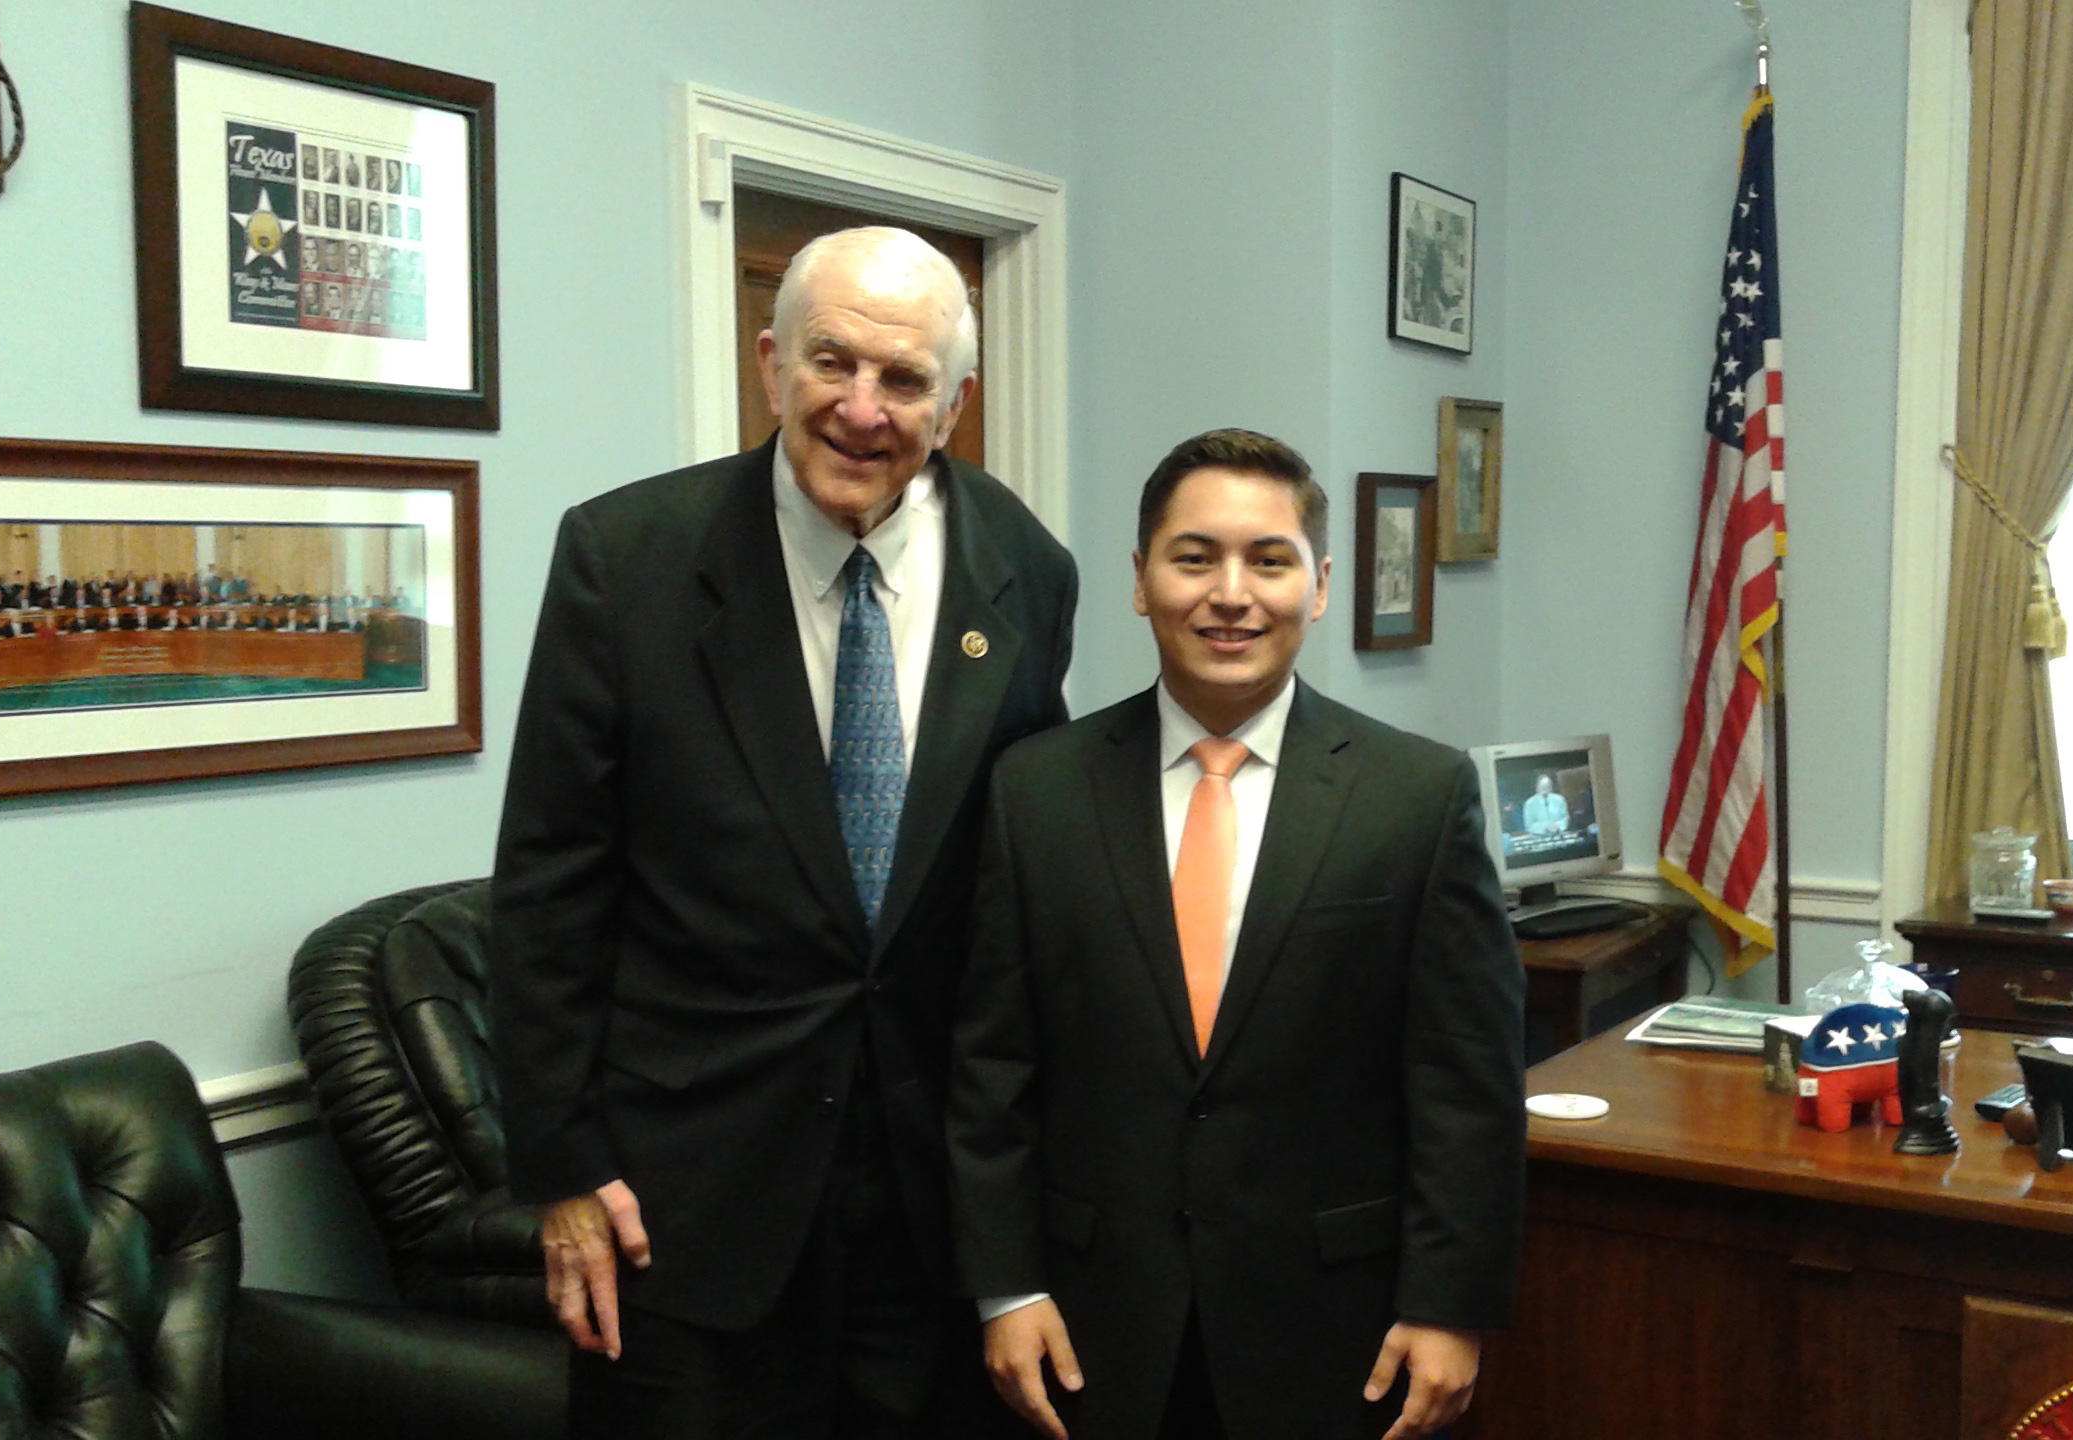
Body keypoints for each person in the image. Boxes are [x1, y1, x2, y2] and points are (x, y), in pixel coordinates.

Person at [491, 225, 1080, 1440]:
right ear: (771, 365)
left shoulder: (1028, 572)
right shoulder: (627, 561)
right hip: (684, 1203)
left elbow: (1017, 890)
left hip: (932, 1211)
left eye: (905, 380)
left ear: (955, 403)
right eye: (831, 364)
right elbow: (549, 883)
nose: (862, 410)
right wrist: (562, 1172)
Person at [949, 429, 1526, 1440]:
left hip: (1340, 1331)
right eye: (1192, 557)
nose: (1230, 593)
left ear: (1318, 583)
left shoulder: (1417, 797)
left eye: (1268, 560)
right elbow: (991, 1069)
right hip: (1089, 1332)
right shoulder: (1034, 790)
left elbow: (1464, 1087)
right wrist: (1004, 1289)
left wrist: (1449, 1304)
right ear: (1139, 580)